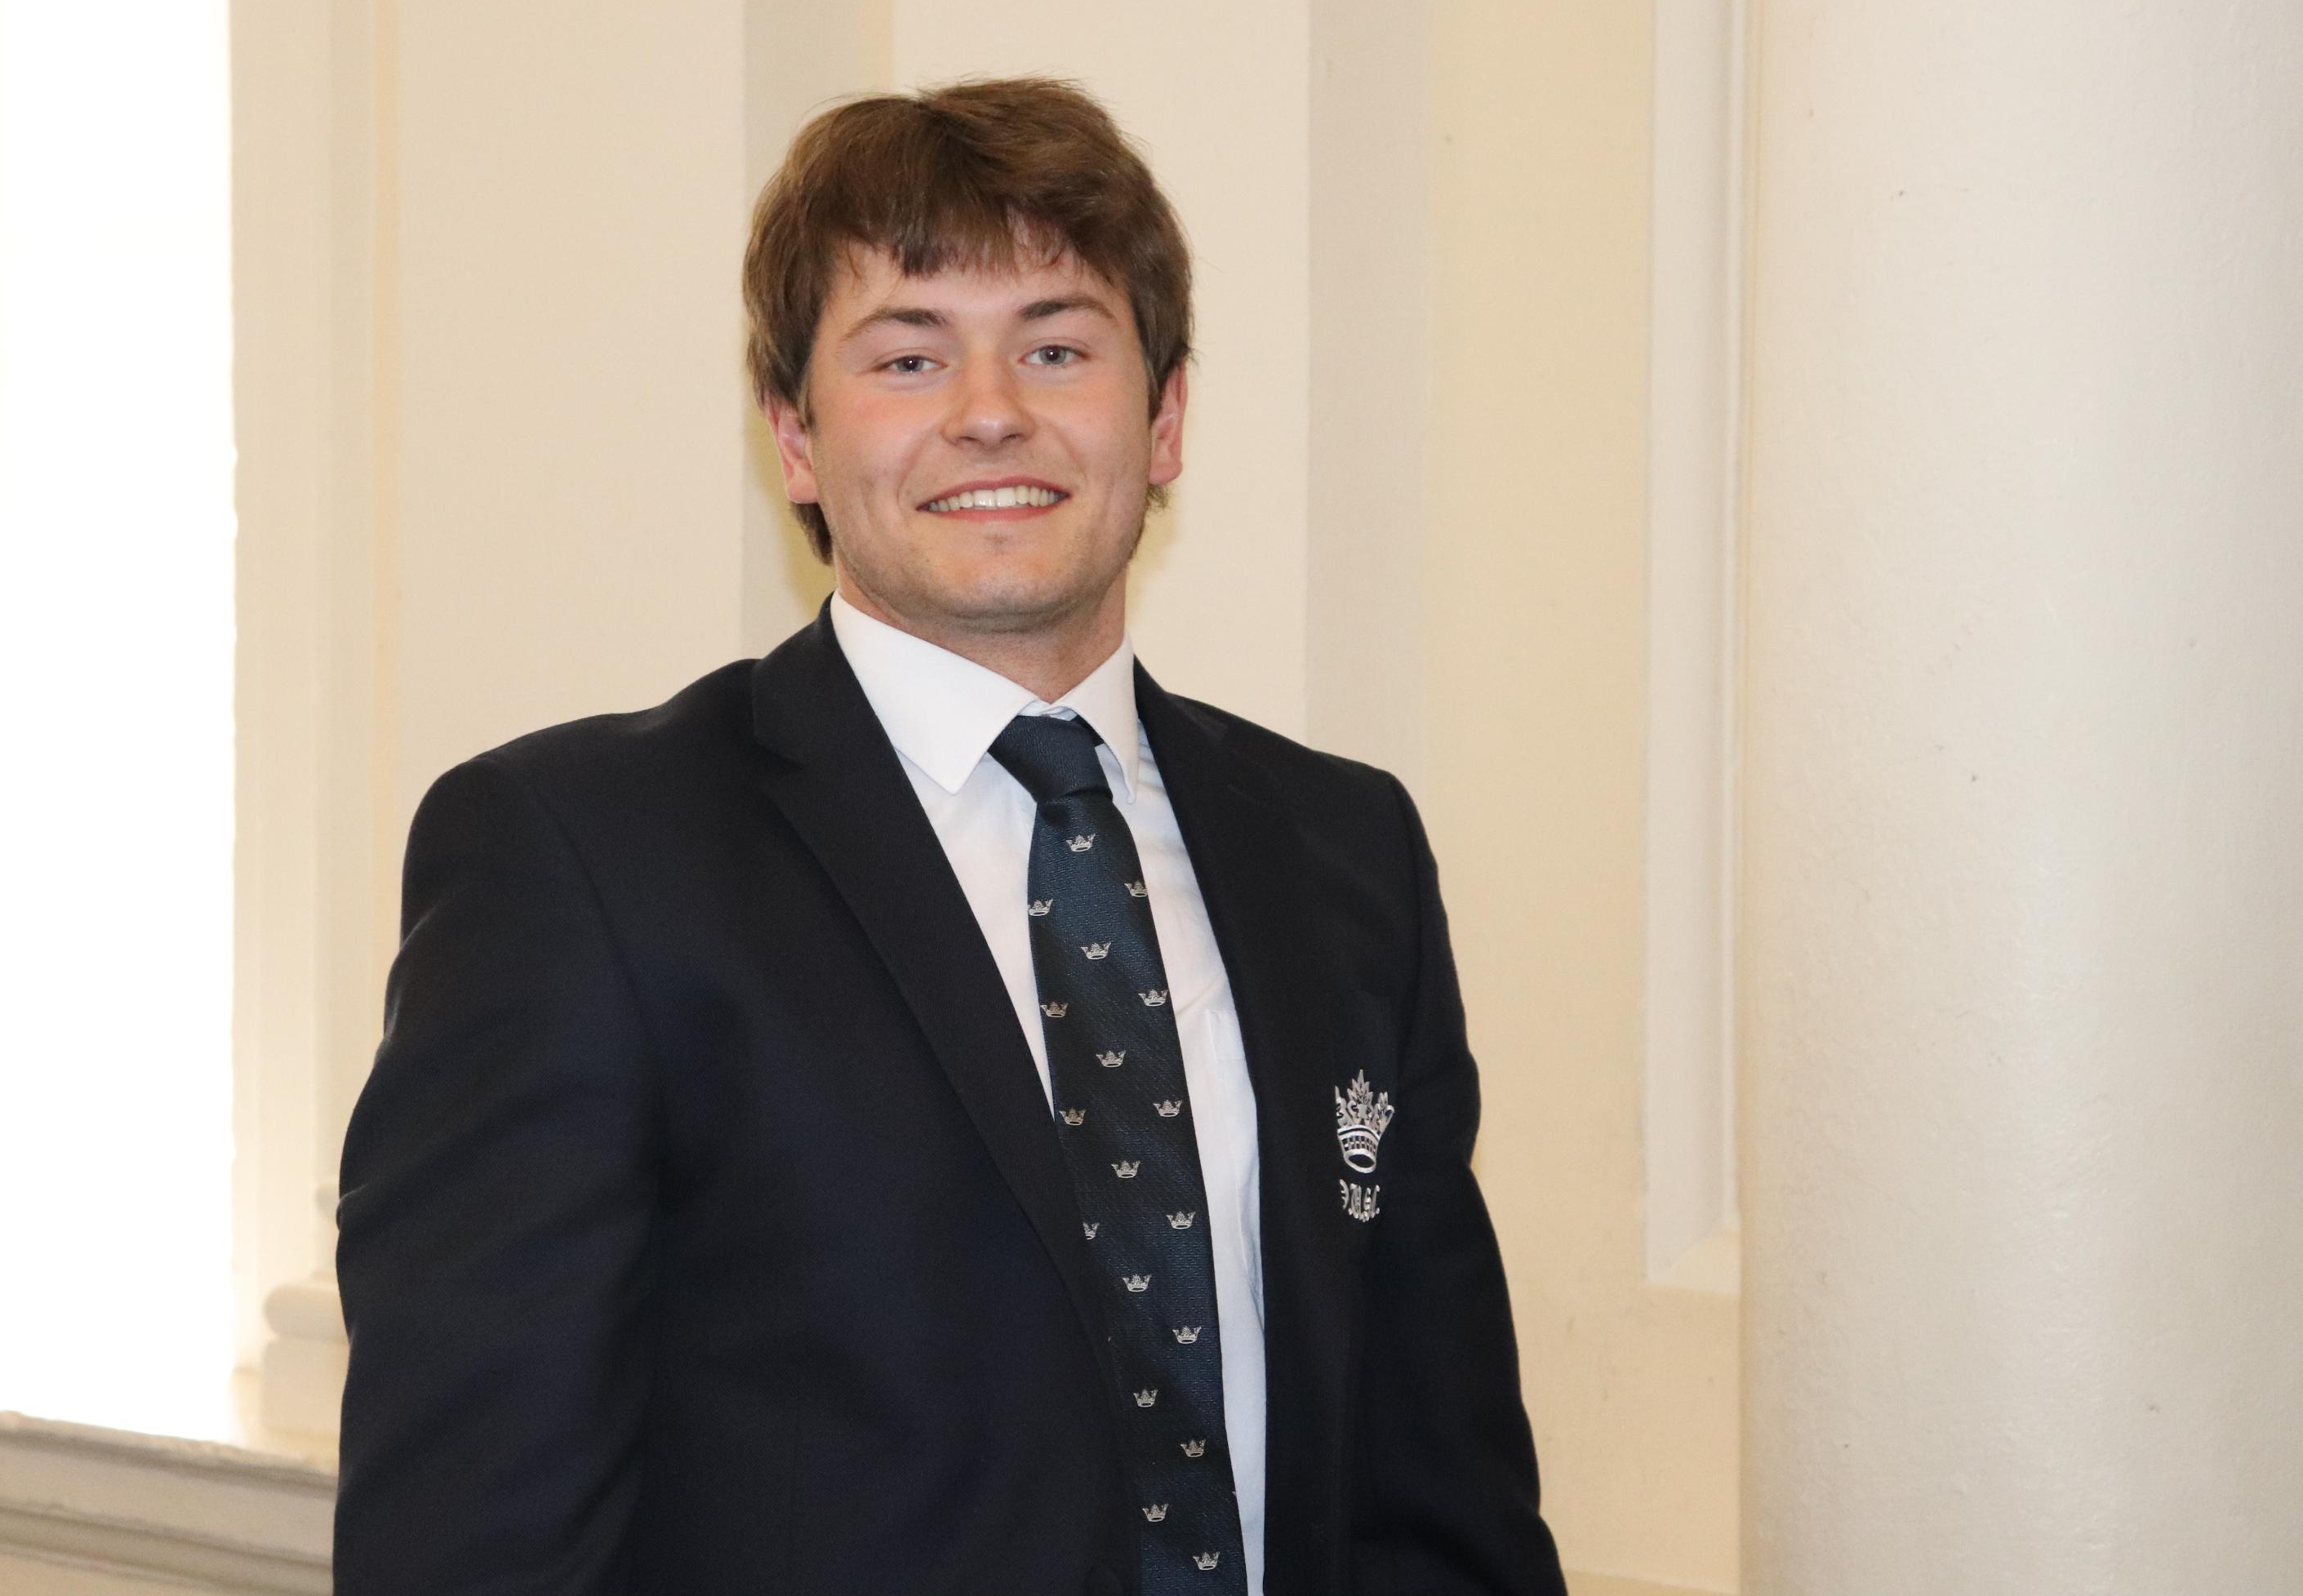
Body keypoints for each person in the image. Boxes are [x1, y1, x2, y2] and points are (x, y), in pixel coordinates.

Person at [332, 77, 1567, 1595]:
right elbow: (470, 1546)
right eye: (909, 357)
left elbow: (1445, 1494)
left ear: (1166, 418)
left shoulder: (1345, 851)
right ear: (795, 437)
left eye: (1057, 347)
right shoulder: (579, 862)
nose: (992, 410)